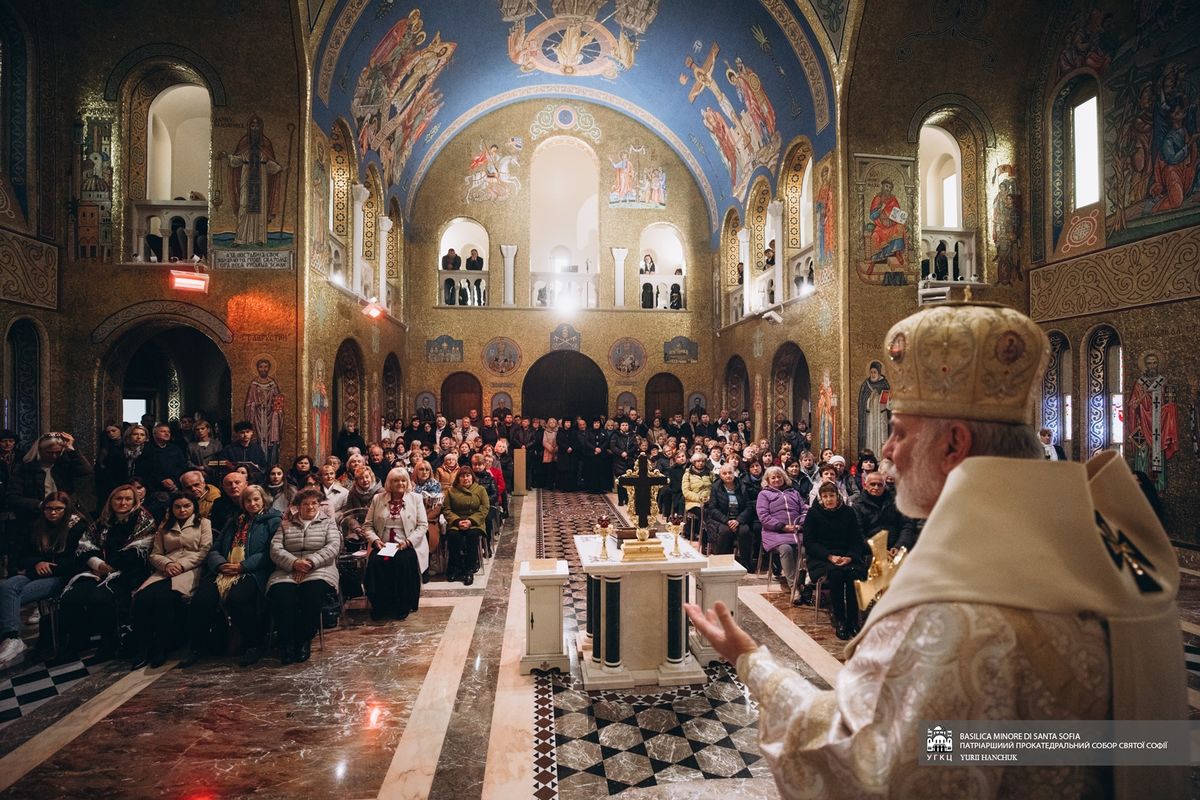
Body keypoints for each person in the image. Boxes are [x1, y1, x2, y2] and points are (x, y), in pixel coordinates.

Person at [685, 301, 1186, 799]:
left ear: (954, 445)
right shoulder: (1117, 554)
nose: (886, 451)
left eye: (899, 431)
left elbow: (871, 772)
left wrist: (754, 663)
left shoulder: (963, 608)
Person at [59, 484, 157, 662]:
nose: (123, 502)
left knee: (101, 598)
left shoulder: (144, 520)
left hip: (127, 572)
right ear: (111, 501)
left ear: (135, 501)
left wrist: (110, 568)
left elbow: (139, 549)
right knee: (72, 598)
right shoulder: (102, 521)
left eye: (128, 499)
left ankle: (109, 644)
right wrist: (98, 564)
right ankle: (77, 641)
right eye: (118, 498)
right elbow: (86, 545)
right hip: (97, 569)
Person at [185, 485, 280, 667]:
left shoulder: (273, 520)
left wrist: (242, 566)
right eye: (248, 500)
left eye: (256, 499)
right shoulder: (235, 521)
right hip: (224, 569)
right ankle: (199, 646)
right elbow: (216, 547)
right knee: (201, 600)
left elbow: (270, 551)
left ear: (263, 500)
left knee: (237, 599)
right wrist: (220, 564)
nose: (252, 504)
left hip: (253, 570)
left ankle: (254, 643)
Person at [0, 493, 91, 668]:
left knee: (11, 595)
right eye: (49, 508)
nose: (53, 512)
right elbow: (22, 556)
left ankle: (11, 638)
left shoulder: (77, 528)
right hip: (35, 572)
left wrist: (45, 567)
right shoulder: (37, 526)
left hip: (60, 576)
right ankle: (12, 637)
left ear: (67, 509)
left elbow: (72, 562)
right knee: (6, 586)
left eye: (58, 509)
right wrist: (37, 563)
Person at [130, 493, 212, 669]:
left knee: (164, 599)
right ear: (172, 508)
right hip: (165, 568)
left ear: (193, 507)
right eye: (178, 506)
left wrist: (181, 566)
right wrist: (167, 564)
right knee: (143, 598)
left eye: (186, 506)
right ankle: (142, 648)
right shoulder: (165, 526)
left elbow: (204, 551)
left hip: (190, 568)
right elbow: (155, 553)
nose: (182, 510)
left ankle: (161, 647)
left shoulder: (204, 523)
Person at [267, 488, 341, 665]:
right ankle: (287, 641)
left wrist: (309, 563)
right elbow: (275, 549)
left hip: (319, 568)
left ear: (319, 504)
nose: (310, 507)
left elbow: (332, 547)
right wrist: (294, 563)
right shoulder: (285, 524)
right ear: (297, 506)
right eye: (305, 504)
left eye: (314, 503)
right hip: (287, 569)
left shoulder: (328, 523)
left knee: (312, 596)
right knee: (282, 596)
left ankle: (303, 640)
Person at [802, 481, 869, 639]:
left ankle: (853, 620)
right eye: (825, 496)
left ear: (838, 496)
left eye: (832, 495)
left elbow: (856, 539)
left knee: (853, 576)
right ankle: (840, 620)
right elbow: (810, 542)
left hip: (847, 554)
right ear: (820, 498)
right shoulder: (813, 513)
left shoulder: (848, 512)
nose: (829, 499)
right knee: (836, 576)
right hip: (823, 557)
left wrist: (850, 556)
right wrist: (830, 557)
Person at [363, 468, 428, 620]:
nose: (400, 483)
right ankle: (380, 605)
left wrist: (408, 542)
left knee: (402, 562)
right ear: (389, 483)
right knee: (375, 563)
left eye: (403, 480)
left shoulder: (415, 498)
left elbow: (422, 525)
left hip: (406, 544)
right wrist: (375, 540)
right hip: (383, 545)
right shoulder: (378, 499)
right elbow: (368, 525)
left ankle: (402, 605)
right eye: (396, 481)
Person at [5, 432, 94, 523]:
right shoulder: (25, 468)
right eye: (50, 453)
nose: (54, 456)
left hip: (64, 515)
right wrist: (40, 505)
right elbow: (13, 497)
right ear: (40, 450)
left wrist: (71, 450)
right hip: (35, 517)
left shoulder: (64, 465)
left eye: (58, 452)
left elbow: (86, 472)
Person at [755, 466, 806, 600]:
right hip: (775, 532)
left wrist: (800, 524)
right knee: (786, 549)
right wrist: (782, 527)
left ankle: (804, 582)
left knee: (808, 549)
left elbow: (804, 510)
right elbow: (763, 516)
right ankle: (794, 586)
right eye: (773, 477)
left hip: (796, 530)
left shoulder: (794, 492)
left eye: (779, 477)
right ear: (767, 480)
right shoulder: (764, 494)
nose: (777, 479)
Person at [852, 470, 916, 553]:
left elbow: (907, 525)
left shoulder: (896, 502)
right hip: (871, 552)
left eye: (880, 485)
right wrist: (878, 549)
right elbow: (858, 534)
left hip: (897, 549)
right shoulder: (857, 505)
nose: (876, 487)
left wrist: (899, 546)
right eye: (872, 484)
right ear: (865, 485)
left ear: (884, 486)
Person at [443, 467, 488, 586]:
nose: (465, 478)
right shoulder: (451, 491)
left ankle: (469, 569)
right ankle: (456, 567)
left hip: (475, 522)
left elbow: (484, 508)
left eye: (468, 475)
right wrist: (457, 521)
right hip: (457, 521)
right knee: (453, 536)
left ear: (472, 477)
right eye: (462, 476)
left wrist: (471, 521)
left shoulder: (480, 490)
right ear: (458, 479)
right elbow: (447, 509)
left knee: (472, 536)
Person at [705, 463, 754, 559]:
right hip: (721, 519)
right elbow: (712, 508)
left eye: (730, 473)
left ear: (734, 473)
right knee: (725, 531)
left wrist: (738, 520)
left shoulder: (742, 486)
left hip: (738, 519)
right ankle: (720, 560)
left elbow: (748, 507)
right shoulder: (716, 487)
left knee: (745, 531)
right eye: (724, 473)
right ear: (720, 475)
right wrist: (726, 520)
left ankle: (746, 562)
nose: (728, 475)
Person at [681, 453, 711, 542]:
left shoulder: (710, 473)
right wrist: (699, 498)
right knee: (704, 512)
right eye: (698, 461)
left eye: (702, 461)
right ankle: (704, 537)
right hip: (693, 502)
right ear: (694, 462)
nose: (701, 463)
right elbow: (686, 492)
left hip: (709, 500)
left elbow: (714, 486)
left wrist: (710, 497)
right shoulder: (687, 474)